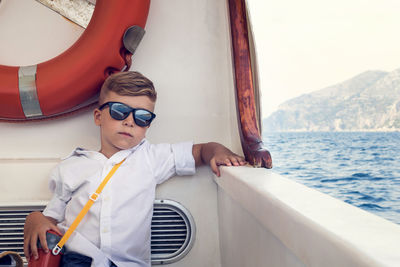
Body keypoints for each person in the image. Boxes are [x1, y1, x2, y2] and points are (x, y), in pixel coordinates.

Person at [24, 71, 246, 267]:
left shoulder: (150, 158)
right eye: (119, 111)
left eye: (142, 117)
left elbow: (199, 151)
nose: (130, 121)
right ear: (98, 116)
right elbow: (51, 219)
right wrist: (34, 218)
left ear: (147, 126)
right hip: (78, 260)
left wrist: (217, 151)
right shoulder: (71, 166)